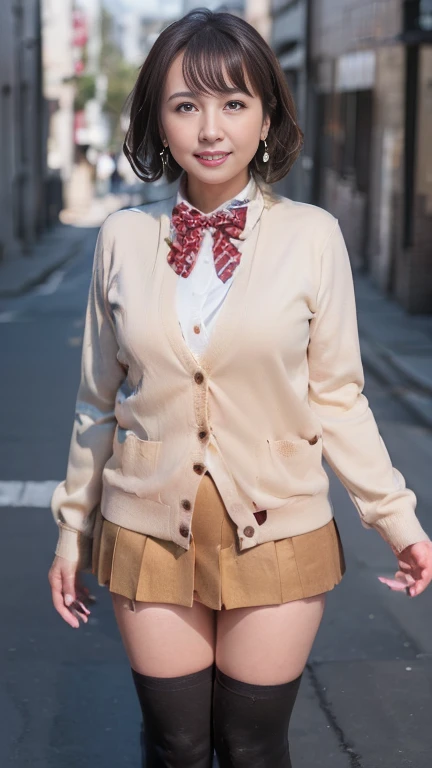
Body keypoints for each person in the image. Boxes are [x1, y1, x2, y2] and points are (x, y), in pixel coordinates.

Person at [48, 8, 432, 767]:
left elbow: (339, 397)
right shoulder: (122, 241)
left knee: (254, 747)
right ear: (159, 121)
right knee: (176, 745)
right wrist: (70, 526)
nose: (211, 127)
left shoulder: (312, 236)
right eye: (186, 105)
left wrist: (399, 520)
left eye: (234, 102)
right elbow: (97, 402)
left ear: (267, 120)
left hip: (280, 530)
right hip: (147, 527)